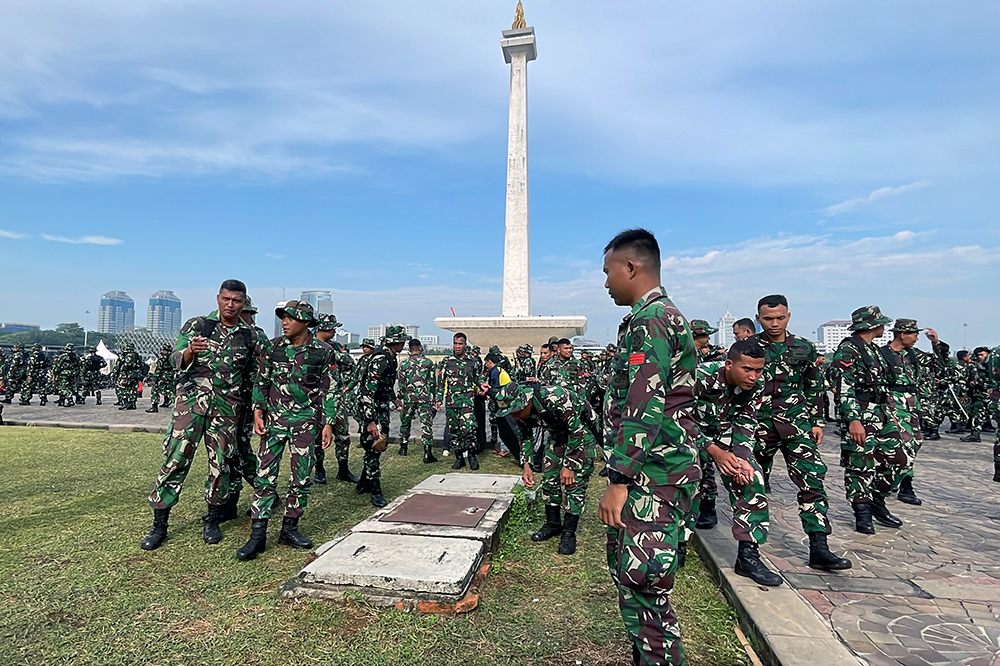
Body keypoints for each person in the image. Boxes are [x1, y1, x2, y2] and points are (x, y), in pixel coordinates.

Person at [598, 228, 701, 666]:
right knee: (638, 587)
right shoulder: (658, 316)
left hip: (650, 481)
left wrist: (619, 479)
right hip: (657, 475)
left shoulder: (651, 321)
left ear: (631, 268)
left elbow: (644, 406)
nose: (605, 283)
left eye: (607, 272)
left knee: (645, 591)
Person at [141, 279, 261, 551]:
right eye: (226, 299)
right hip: (191, 407)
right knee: (175, 462)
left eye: (237, 301)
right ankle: (159, 525)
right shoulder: (197, 326)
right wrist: (189, 352)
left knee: (220, 466)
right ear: (218, 298)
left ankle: (212, 520)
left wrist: (253, 410)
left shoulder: (249, 335)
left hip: (226, 410)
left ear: (244, 303)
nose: (231, 305)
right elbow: (174, 360)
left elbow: (253, 377)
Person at [237, 300, 337, 561]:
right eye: (283, 317)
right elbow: (262, 380)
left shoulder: (323, 351)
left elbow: (329, 390)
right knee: (264, 477)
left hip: (305, 423)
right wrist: (258, 412)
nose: (284, 322)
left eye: (290, 318)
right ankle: (257, 536)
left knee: (302, 478)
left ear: (305, 322)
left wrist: (328, 423)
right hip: (273, 422)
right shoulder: (272, 347)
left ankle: (289, 529)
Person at [752, 294, 846, 567]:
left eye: (780, 318)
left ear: (788, 317)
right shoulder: (748, 347)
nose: (774, 323)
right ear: (758, 319)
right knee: (752, 485)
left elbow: (813, 386)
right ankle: (749, 549)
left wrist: (817, 420)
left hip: (796, 425)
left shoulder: (803, 348)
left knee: (812, 481)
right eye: (768, 319)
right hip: (758, 425)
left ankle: (819, 547)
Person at [689, 340, 786, 585]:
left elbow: (746, 419)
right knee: (686, 479)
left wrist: (741, 458)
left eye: (758, 370)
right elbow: (677, 416)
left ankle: (748, 556)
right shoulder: (699, 376)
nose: (753, 376)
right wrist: (712, 451)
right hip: (688, 435)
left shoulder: (756, 384)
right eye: (747, 369)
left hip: (725, 435)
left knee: (751, 477)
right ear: (729, 364)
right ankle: (679, 542)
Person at [493, 380, 597, 555]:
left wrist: (570, 465)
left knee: (574, 484)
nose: (515, 416)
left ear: (526, 401)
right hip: (557, 436)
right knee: (549, 480)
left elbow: (577, 430)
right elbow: (525, 436)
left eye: (516, 411)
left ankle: (569, 534)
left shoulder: (555, 398)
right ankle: (553, 524)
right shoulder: (520, 412)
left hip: (581, 435)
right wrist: (526, 465)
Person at [831, 305, 908, 534]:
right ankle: (862, 513)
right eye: (881, 323)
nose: (884, 327)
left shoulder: (873, 349)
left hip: (881, 411)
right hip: (860, 412)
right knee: (859, 465)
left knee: (899, 459)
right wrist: (853, 419)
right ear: (871, 325)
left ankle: (877, 500)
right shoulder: (849, 350)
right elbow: (843, 386)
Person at [354, 325, 409, 507]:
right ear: (394, 342)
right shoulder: (381, 359)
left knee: (375, 446)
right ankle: (375, 490)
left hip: (381, 406)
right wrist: (370, 420)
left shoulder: (391, 357)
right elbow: (368, 391)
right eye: (401, 341)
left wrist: (393, 399)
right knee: (375, 445)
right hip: (373, 409)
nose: (403, 344)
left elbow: (385, 385)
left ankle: (364, 482)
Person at [878, 319, 926, 506]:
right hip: (893, 403)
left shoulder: (912, 354)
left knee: (915, 443)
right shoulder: (883, 354)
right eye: (914, 334)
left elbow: (937, 363)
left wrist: (936, 344)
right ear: (902, 334)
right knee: (903, 446)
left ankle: (897, 482)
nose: (916, 338)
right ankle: (902, 486)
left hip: (912, 404)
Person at [313, 314, 360, 481]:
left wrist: (346, 385)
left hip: (336, 398)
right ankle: (319, 470)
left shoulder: (336, 346)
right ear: (322, 328)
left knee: (343, 435)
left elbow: (350, 364)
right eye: (332, 328)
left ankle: (343, 469)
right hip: (315, 400)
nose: (334, 331)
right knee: (317, 437)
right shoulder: (310, 346)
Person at [435, 332, 481, 471]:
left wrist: (483, 386)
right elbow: (441, 382)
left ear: (465, 345)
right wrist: (438, 399)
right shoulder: (447, 361)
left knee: (469, 429)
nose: (457, 346)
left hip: (467, 401)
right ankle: (459, 457)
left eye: (460, 343)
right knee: (454, 430)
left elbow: (478, 378)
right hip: (452, 402)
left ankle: (472, 456)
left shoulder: (473, 361)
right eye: (455, 343)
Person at [398, 338, 438, 463]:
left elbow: (401, 384)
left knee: (405, 422)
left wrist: (400, 398)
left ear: (409, 349)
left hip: (409, 398)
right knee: (426, 425)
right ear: (420, 348)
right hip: (424, 398)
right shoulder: (428, 363)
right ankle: (427, 453)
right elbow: (432, 383)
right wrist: (433, 399)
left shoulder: (404, 364)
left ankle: (403, 447)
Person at [116, 343, 146, 411]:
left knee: (124, 388)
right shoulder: (137, 355)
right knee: (133, 389)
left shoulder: (129, 355)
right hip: (136, 374)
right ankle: (133, 403)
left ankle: (126, 403)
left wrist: (122, 369)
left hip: (129, 374)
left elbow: (126, 365)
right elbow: (141, 364)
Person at [147, 343, 175, 413]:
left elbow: (158, 369)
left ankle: (154, 407)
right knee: (170, 391)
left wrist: (153, 379)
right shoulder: (173, 356)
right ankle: (171, 402)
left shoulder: (162, 358)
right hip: (171, 377)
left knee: (154, 390)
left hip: (163, 378)